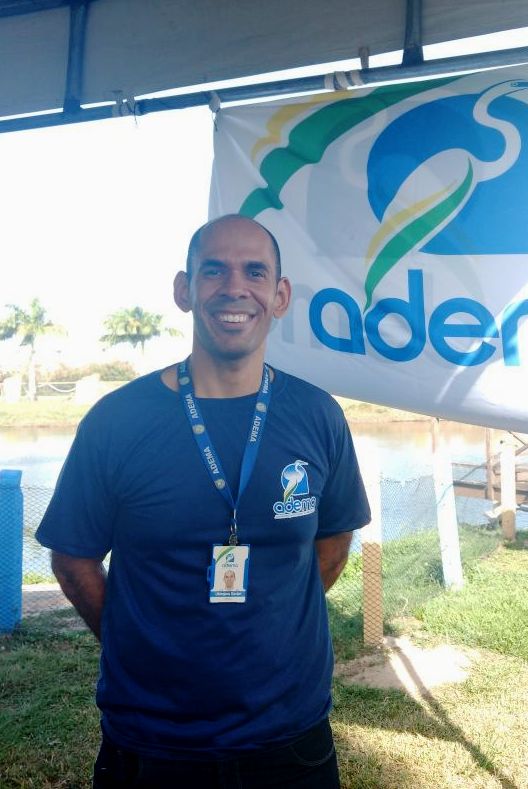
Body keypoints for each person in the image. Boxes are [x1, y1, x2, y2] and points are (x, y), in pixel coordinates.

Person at [36, 214, 370, 788]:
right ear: (184, 290)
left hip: (291, 740)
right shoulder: (118, 420)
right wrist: (136, 639)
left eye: (254, 272)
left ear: (280, 295)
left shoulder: (318, 416)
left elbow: (334, 540)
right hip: (153, 740)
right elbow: (73, 558)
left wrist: (275, 624)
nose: (234, 288)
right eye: (213, 271)